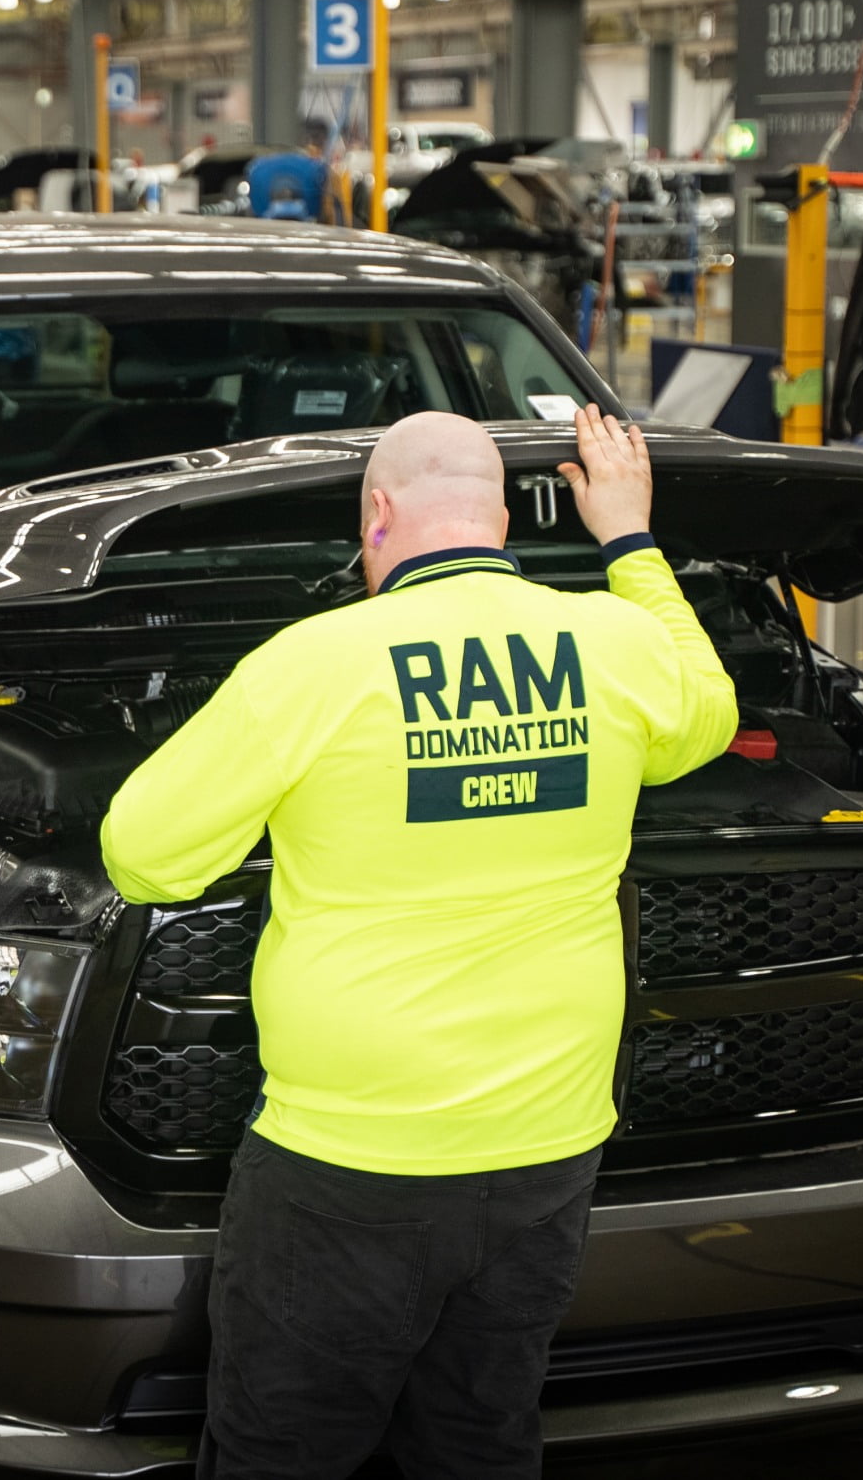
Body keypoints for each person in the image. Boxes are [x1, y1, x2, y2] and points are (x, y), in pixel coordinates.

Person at [100, 408, 738, 1480]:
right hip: (546, 1154)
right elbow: (708, 714)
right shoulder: (616, 645)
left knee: (279, 1454)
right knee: (480, 1443)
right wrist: (629, 539)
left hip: (345, 1168)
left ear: (377, 517)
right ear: (500, 520)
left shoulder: (308, 666)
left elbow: (141, 854)